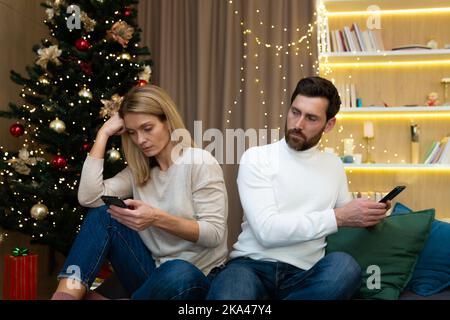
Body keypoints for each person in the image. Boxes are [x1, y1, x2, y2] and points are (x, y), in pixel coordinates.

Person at [207, 76, 390, 300]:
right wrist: (339, 216)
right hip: (250, 266)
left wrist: (370, 213)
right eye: (295, 112)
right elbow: (267, 232)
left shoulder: (333, 166)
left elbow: (346, 220)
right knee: (232, 296)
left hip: (306, 274)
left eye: (311, 118)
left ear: (329, 124)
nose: (298, 124)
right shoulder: (256, 158)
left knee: (345, 267)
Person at [52, 85, 228, 300]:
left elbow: (214, 234)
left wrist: (156, 218)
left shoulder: (199, 162)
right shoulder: (139, 171)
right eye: (132, 132)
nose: (140, 140)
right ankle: (65, 296)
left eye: (147, 128)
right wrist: (103, 134)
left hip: (196, 277)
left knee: (179, 270)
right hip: (152, 275)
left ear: (168, 122)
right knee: (102, 215)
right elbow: (88, 198)